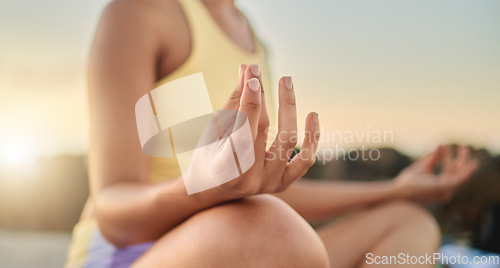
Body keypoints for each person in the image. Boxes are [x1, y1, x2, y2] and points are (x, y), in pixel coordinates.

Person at [65, 0, 479, 267]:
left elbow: (262, 192)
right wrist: (200, 189)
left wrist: (397, 189)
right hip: (131, 254)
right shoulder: (144, 13)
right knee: (274, 233)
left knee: (408, 225)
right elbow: (114, 212)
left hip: (241, 239)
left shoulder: (254, 41)